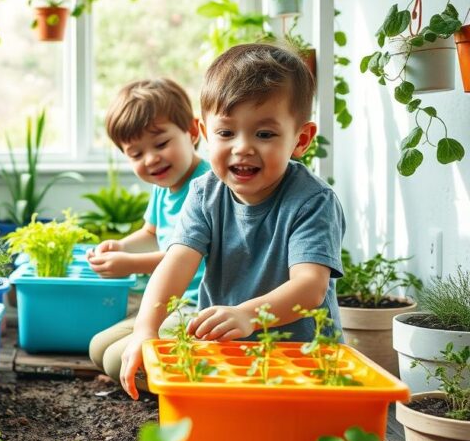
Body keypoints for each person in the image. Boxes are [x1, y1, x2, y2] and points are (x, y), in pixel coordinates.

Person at [119, 43, 346, 399]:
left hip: (300, 362)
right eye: (226, 133)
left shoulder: (312, 201)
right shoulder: (204, 193)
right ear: (206, 134)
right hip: (222, 352)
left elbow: (310, 287)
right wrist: (145, 329)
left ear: (300, 139)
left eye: (265, 134)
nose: (242, 147)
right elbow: (176, 264)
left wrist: (248, 316)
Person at [85, 78, 210, 381]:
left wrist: (129, 264)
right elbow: (151, 234)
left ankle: (188, 384)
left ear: (192, 132)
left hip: (199, 305)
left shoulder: (208, 187)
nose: (151, 159)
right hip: (167, 303)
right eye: (136, 154)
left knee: (116, 360)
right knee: (98, 347)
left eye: (161, 144)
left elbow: (182, 254)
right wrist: (121, 246)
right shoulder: (163, 188)